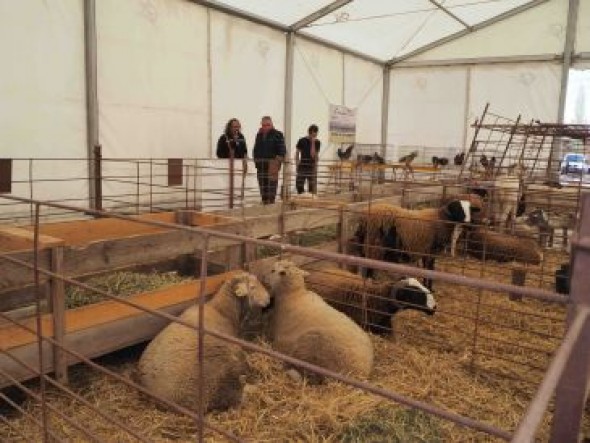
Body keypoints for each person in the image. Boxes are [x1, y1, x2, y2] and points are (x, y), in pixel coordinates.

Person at [253, 116, 286, 205]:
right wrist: (256, 161)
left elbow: (282, 150)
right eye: (263, 125)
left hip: (272, 164)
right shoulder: (259, 135)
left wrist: (277, 162)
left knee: (271, 186)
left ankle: (271, 204)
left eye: (268, 125)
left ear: (272, 124)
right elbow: (255, 149)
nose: (265, 127)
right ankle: (264, 203)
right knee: (262, 186)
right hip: (260, 164)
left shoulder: (278, 134)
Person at [295, 124, 320, 195]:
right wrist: (297, 164)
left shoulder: (317, 142)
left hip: (311, 166)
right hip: (302, 165)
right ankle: (301, 195)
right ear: (309, 132)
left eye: (316, 133)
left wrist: (316, 165)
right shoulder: (302, 140)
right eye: (313, 133)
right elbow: (297, 153)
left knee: (312, 185)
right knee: (299, 184)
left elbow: (316, 155)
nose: (314, 135)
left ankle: (310, 197)